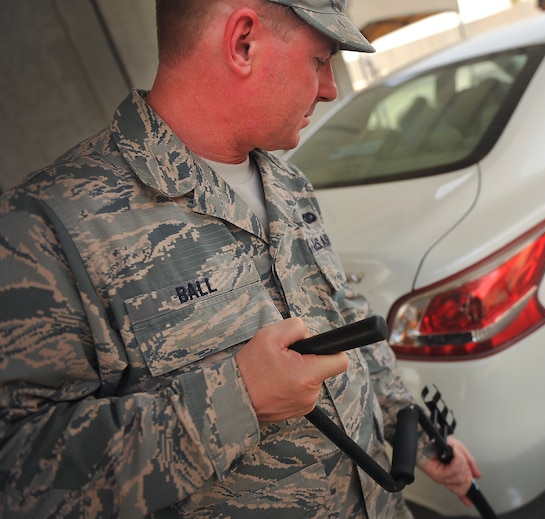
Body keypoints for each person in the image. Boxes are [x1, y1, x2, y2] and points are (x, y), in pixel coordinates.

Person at [0, 0, 482, 517]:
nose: (331, 88)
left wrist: (408, 424)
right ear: (243, 43)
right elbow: (17, 471)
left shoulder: (286, 182)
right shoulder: (47, 225)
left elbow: (340, 310)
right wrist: (237, 398)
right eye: (320, 59)